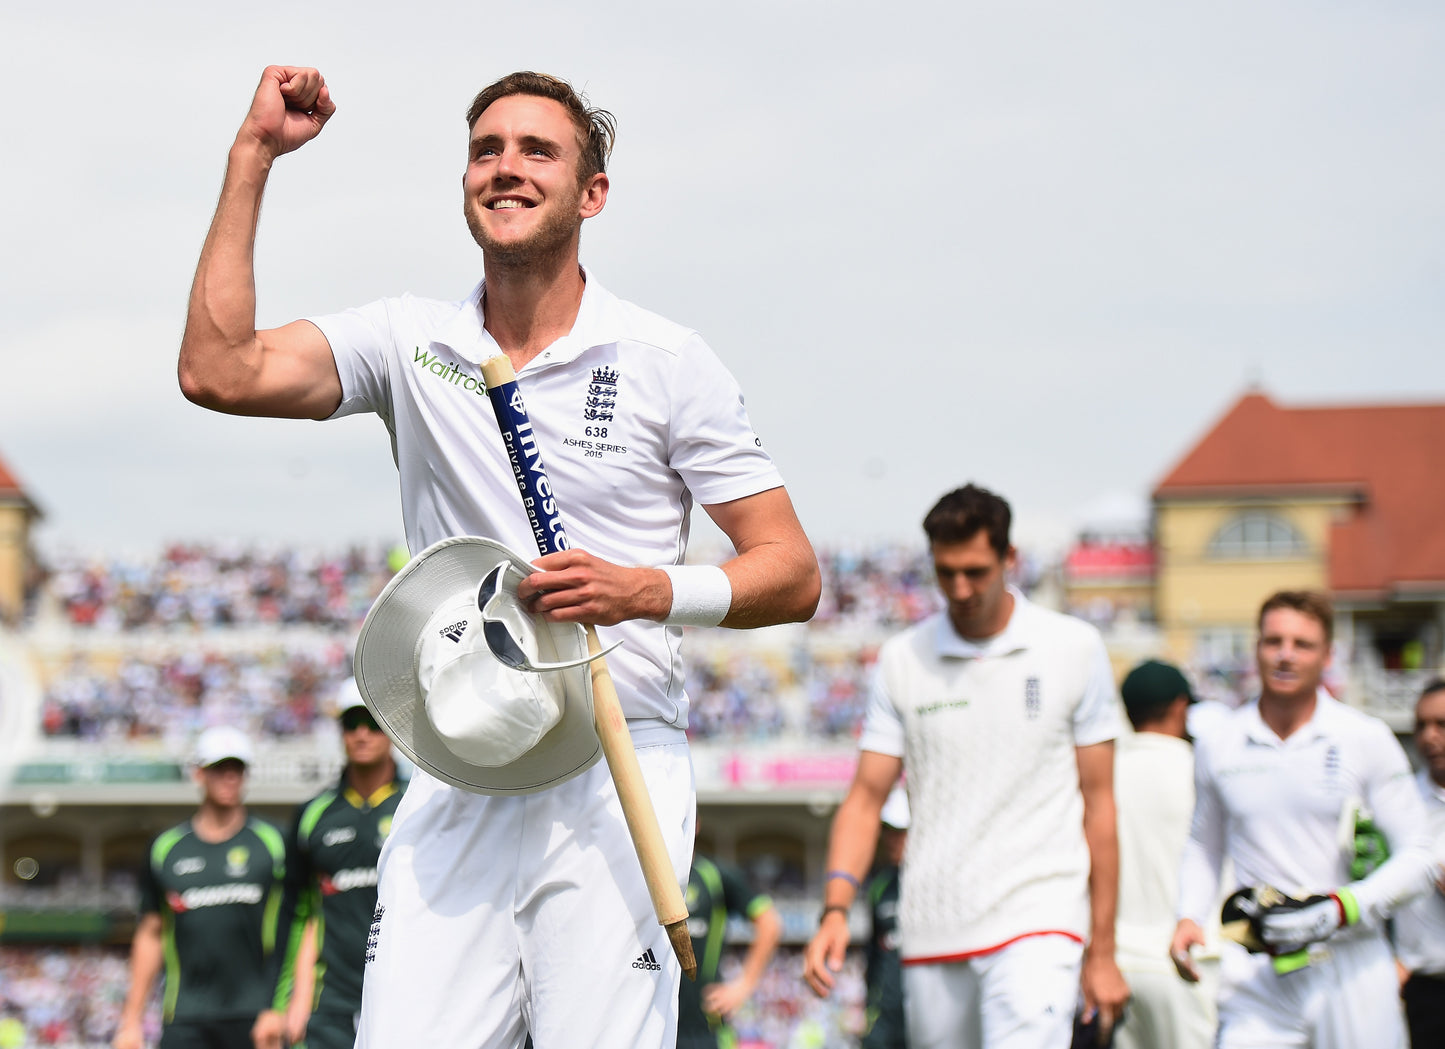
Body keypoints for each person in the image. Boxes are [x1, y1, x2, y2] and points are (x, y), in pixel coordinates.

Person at [177, 66, 820, 1049]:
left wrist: (642, 588)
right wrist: (251, 157)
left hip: (616, 761)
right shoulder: (410, 340)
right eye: (486, 149)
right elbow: (217, 370)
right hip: (459, 761)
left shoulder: (662, 358)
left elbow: (789, 570)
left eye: (536, 150)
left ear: (590, 192)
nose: (505, 168)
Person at [802, 483, 1130, 1049]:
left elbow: (1100, 805)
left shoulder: (1074, 647)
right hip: (933, 924)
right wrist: (835, 908)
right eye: (945, 571)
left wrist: (1102, 952)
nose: (960, 588)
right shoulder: (903, 659)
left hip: (1041, 918)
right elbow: (864, 799)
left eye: (976, 571)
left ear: (1010, 559)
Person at [1169, 590, 1436, 1049]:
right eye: (1274, 641)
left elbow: (1421, 855)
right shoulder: (1221, 742)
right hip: (1259, 969)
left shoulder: (1364, 737)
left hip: (1351, 964)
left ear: (1328, 655)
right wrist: (1189, 914)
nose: (1286, 655)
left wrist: (1342, 907)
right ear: (1256, 648)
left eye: (1302, 644)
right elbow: (1203, 844)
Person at [253, 679, 407, 1049]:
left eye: (372, 723)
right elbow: (297, 915)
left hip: (405, 993)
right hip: (330, 1003)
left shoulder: (417, 805)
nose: (362, 734)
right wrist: (280, 1005)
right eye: (351, 724)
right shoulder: (312, 816)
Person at [113, 727, 288, 1049]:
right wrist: (131, 1021)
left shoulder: (274, 842)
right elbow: (151, 933)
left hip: (256, 1016)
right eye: (219, 768)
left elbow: (295, 929)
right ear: (198, 774)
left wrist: (278, 1008)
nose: (229, 777)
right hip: (185, 1016)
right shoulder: (166, 849)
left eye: (237, 768)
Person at [1111, 660, 1214, 1049]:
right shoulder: (1202, 769)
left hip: (1115, 963)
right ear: (1179, 706)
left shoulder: (1101, 777)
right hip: (1187, 962)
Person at [677, 850, 783, 1049]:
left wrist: (744, 985)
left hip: (705, 1030)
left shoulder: (713, 876)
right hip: (652, 1027)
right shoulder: (643, 873)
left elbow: (770, 924)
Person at [1394, 677, 1445, 1047]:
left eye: (1442, 724)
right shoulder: (1399, 803)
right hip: (1419, 988)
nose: (1429, 736)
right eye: (1421, 725)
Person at [861, 787, 909, 1049]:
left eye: (900, 833)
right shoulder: (881, 886)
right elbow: (872, 954)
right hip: (885, 1022)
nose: (891, 840)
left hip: (927, 1018)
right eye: (889, 832)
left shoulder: (940, 884)